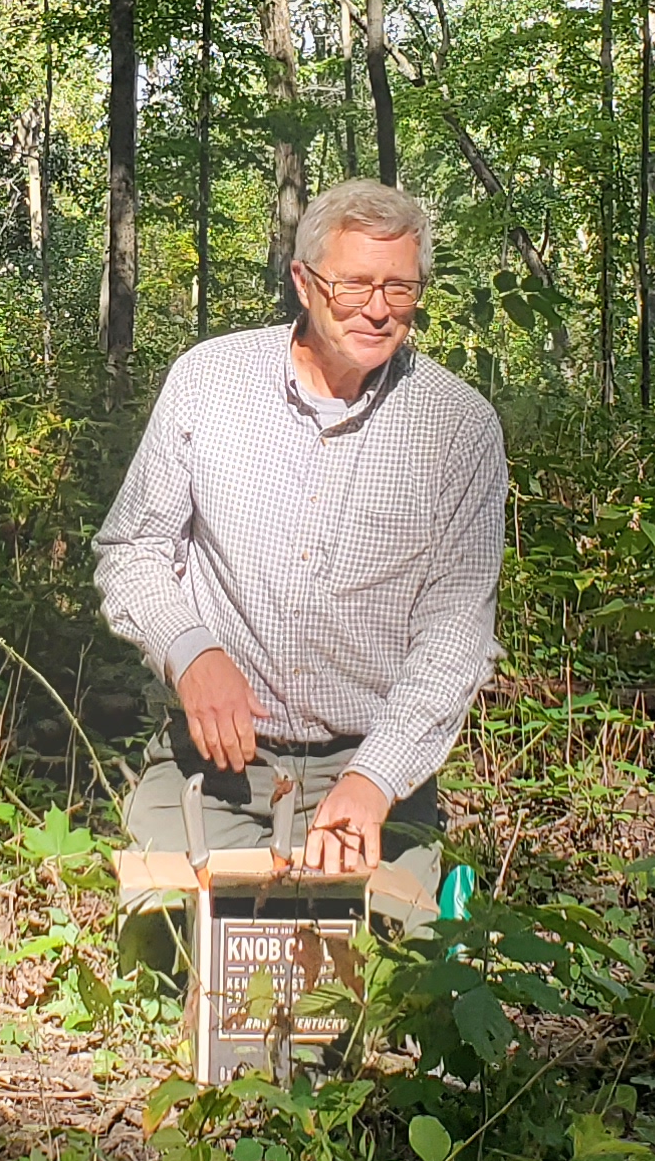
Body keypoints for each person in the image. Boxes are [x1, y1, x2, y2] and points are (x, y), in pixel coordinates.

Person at [94, 182, 510, 943]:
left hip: (369, 771)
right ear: (303, 280)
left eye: (400, 287)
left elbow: (455, 639)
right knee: (171, 956)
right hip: (214, 771)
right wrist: (192, 655)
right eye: (354, 284)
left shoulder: (459, 428)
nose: (378, 310)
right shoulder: (209, 383)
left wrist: (375, 781)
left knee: (386, 988)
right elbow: (134, 550)